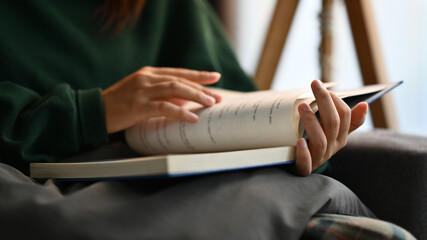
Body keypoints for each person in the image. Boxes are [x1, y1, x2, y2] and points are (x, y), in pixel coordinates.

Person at [0, 0, 413, 239]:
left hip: (178, 177)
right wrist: (91, 112)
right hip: (32, 177)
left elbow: (235, 101)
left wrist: (300, 138)